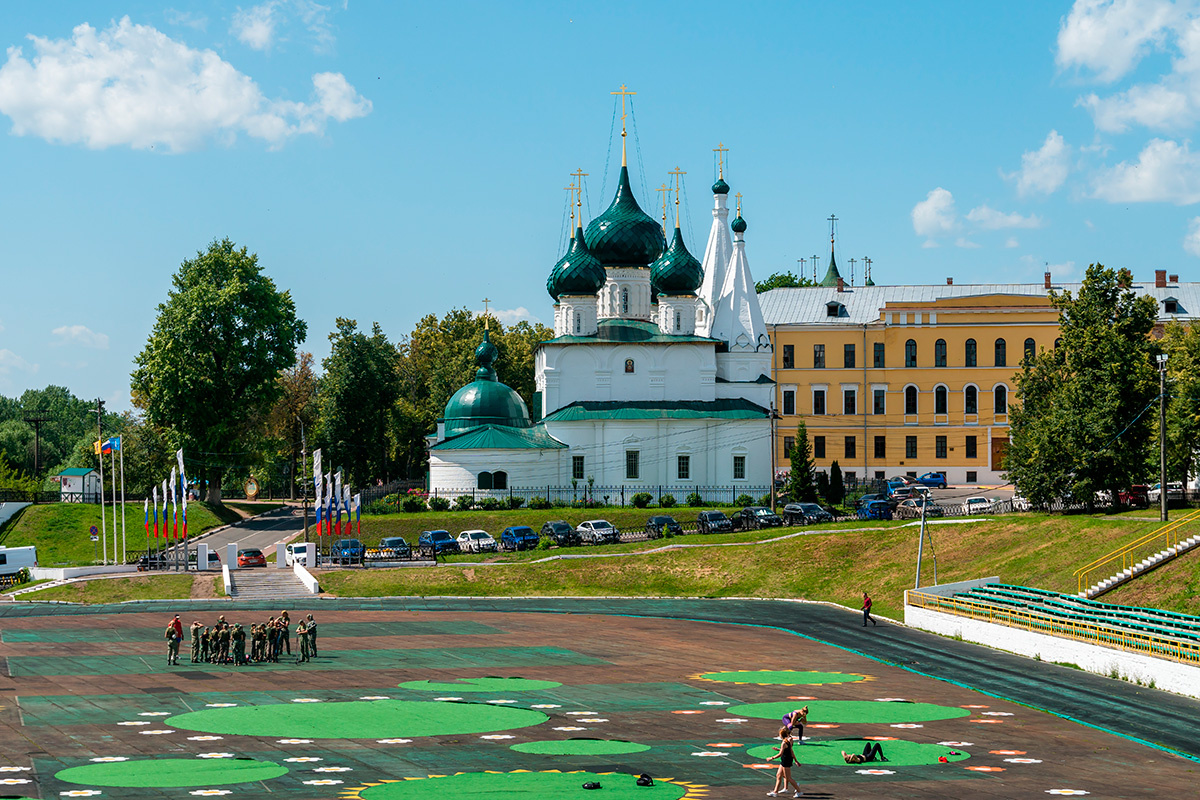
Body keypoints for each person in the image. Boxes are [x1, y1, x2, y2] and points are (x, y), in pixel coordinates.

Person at [764, 727, 803, 798]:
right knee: (778, 775)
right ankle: (775, 792)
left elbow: (780, 754)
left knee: (788, 778)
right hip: (786, 760)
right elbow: (789, 751)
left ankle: (799, 791)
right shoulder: (788, 740)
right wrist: (795, 760)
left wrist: (771, 758)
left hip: (786, 761)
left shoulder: (784, 743)